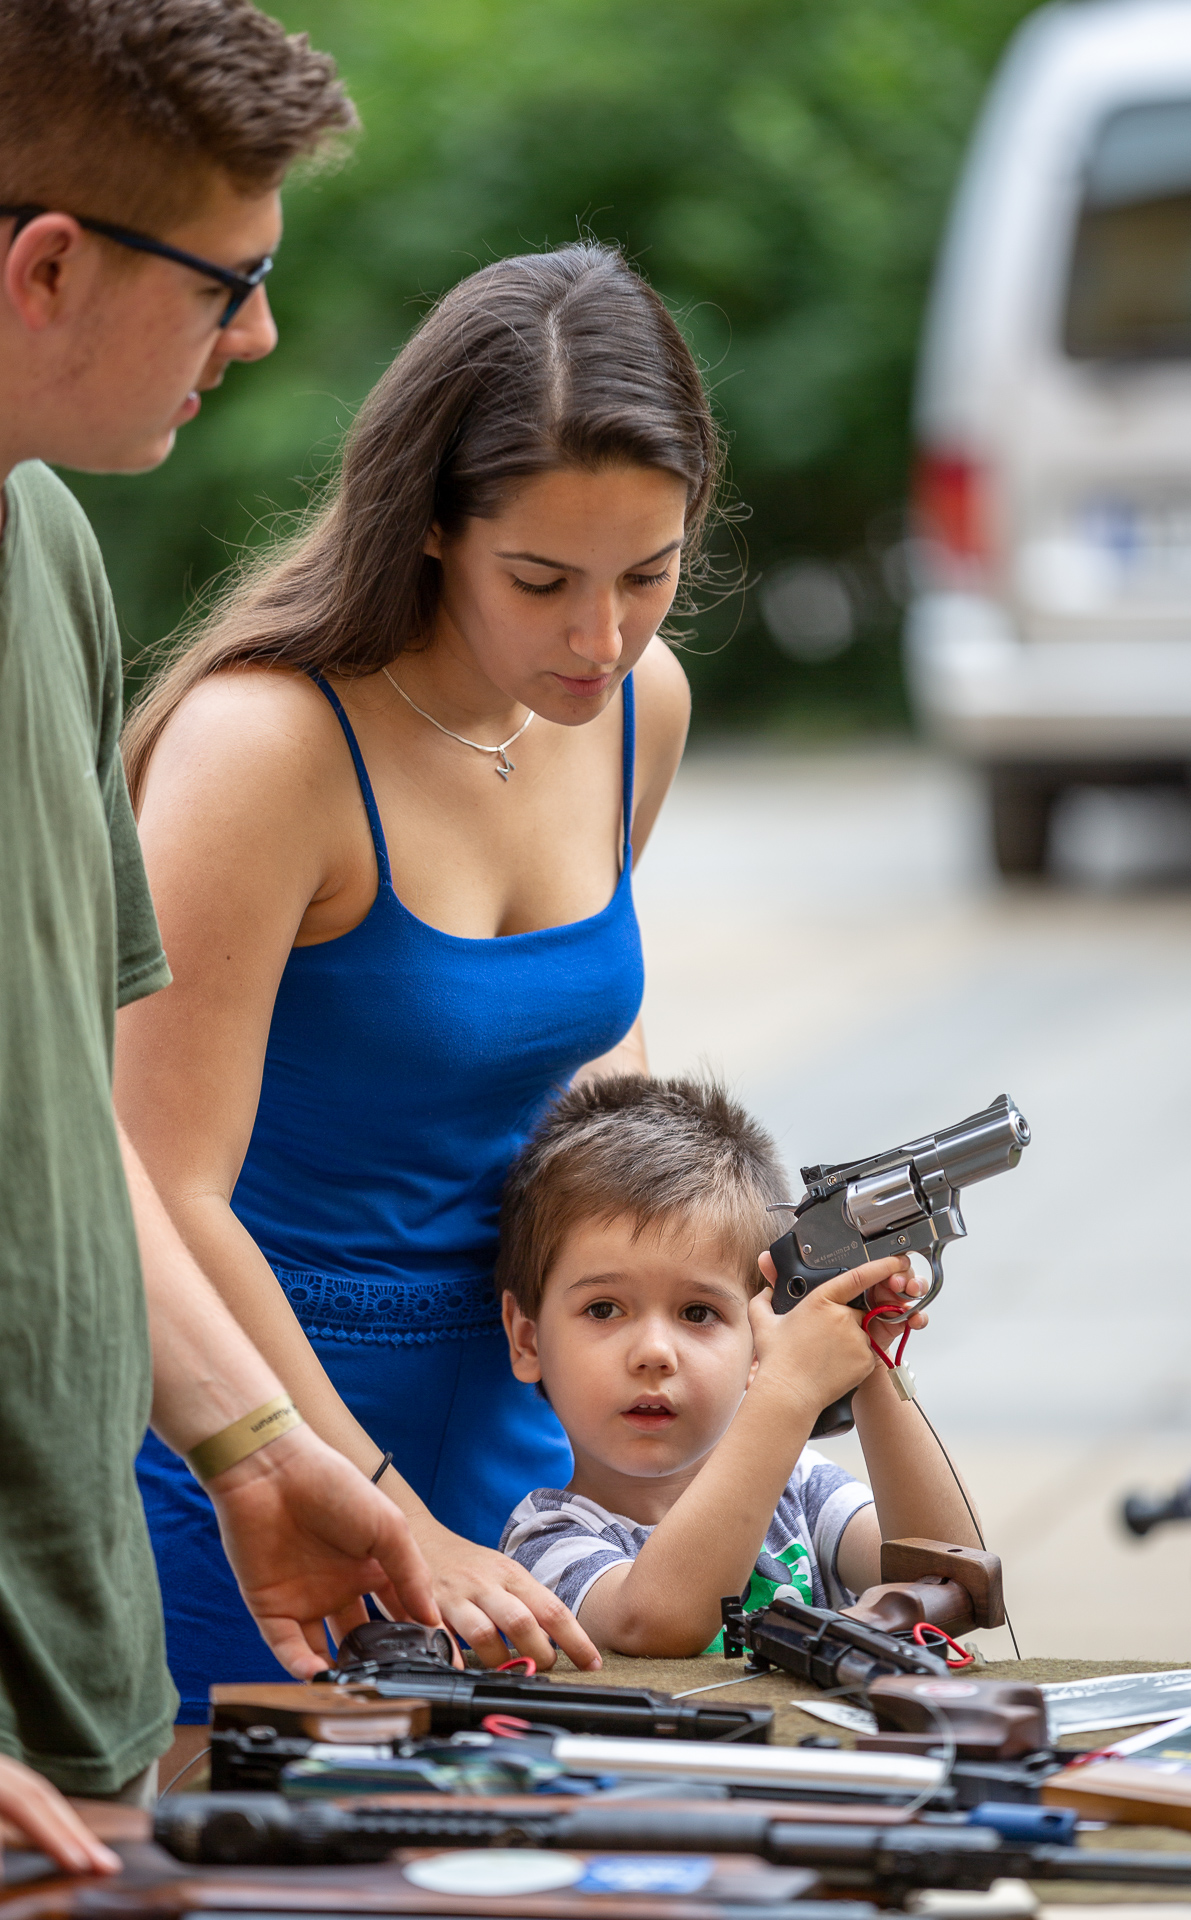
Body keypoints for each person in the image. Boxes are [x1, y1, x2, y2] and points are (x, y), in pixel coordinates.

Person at [113, 241, 716, 1752]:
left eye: (648, 574)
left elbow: (580, 1047)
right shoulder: (264, 748)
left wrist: (707, 1254)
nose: (601, 638)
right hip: (257, 1453)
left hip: (517, 1435)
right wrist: (381, 1506)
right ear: (433, 525)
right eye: (543, 581)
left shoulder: (638, 707)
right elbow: (161, 1185)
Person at [0, 0, 443, 1869]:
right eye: (227, 282)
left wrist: (250, 1441)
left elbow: (62, 1115)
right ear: (47, 266)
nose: (257, 333)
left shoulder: (48, 549)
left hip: (79, 1695)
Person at [498, 1076, 983, 1655]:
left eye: (698, 1312)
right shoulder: (544, 1538)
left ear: (760, 1339)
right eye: (603, 1309)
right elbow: (655, 1620)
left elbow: (951, 1578)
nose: (655, 1352)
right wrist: (788, 1391)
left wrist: (867, 1354)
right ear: (527, 1340)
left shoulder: (798, 1487)